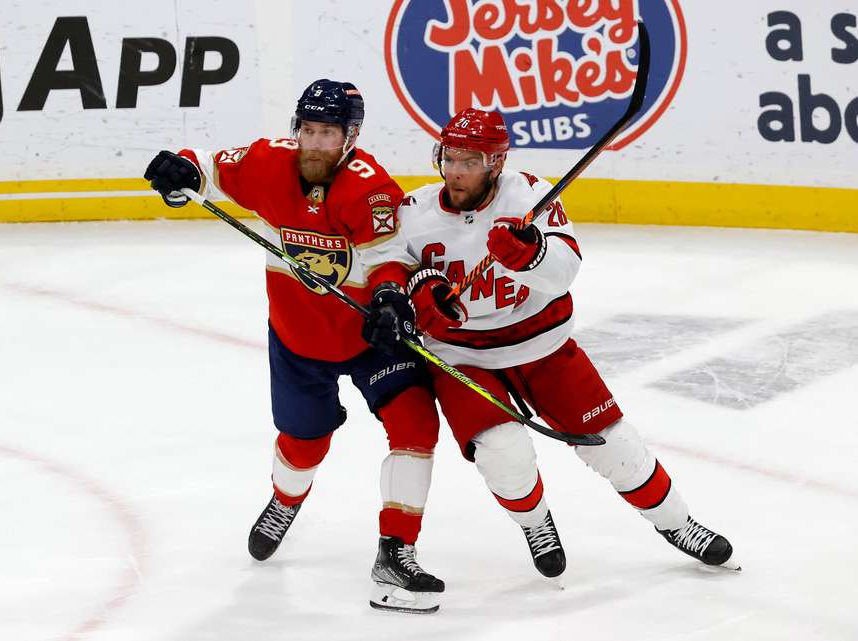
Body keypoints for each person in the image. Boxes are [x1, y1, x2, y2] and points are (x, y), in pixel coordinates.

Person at [143, 79, 445, 613]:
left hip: (372, 336)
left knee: (416, 424)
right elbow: (206, 170)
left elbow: (388, 257)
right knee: (304, 442)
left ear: (350, 136)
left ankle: (396, 551)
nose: (313, 142)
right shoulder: (267, 163)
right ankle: (285, 501)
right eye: (307, 129)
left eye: (327, 133)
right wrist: (180, 172)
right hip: (299, 338)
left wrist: (391, 296)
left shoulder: (371, 188)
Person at [396, 107, 735, 579]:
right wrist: (415, 291)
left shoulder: (529, 196)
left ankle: (678, 523)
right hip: (461, 357)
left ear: (495, 163)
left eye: (469, 161)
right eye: (449, 158)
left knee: (614, 444)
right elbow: (388, 273)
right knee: (503, 453)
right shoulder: (413, 213)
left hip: (542, 345)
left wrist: (532, 255)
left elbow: (565, 270)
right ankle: (536, 525)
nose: (455, 171)